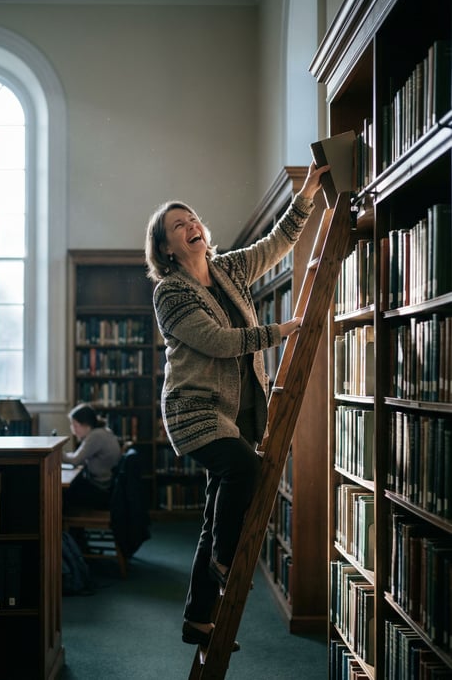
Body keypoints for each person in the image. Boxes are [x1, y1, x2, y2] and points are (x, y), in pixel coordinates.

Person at [144, 161, 328, 651]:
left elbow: (279, 241)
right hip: (194, 409)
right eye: (178, 226)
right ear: (166, 247)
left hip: (242, 410)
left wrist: (306, 191)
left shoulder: (229, 269)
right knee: (243, 471)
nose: (191, 226)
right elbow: (217, 341)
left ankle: (197, 618)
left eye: (193, 219)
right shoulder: (170, 292)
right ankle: (226, 560)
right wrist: (277, 332)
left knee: (214, 511)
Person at [62, 404, 122, 511]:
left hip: (101, 490)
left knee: (64, 494)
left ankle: (71, 525)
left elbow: (75, 461)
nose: (73, 430)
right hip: (106, 487)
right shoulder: (102, 432)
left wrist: (57, 453)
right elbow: (78, 456)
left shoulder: (95, 436)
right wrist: (66, 455)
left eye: (75, 425)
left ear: (86, 425)